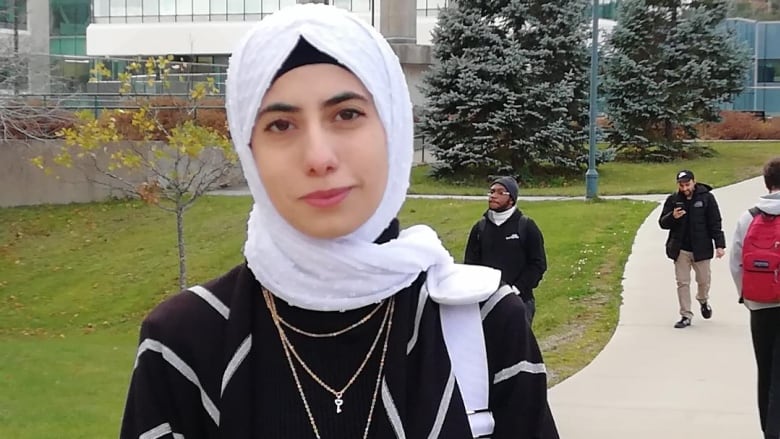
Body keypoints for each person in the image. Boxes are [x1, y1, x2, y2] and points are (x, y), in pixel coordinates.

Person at [119, 5, 559, 439]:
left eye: (347, 114)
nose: (318, 157)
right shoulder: (184, 344)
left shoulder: (483, 322)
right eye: (280, 124)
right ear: (249, 149)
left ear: (393, 127)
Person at [729, 156, 780, 439]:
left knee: (766, 369)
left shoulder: (749, 216)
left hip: (760, 306)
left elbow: (736, 262)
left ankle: (767, 429)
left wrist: (747, 297)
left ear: (767, 183)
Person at [464, 176, 547, 324]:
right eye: (492, 191)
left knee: (517, 347)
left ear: (512, 199)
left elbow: (538, 264)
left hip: (519, 302)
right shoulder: (479, 228)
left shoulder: (526, 226)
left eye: (500, 192)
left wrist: (515, 289)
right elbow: (470, 266)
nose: (493, 196)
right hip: (485, 303)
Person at [659, 169, 726, 329]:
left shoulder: (707, 198)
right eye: (681, 185)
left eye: (687, 184)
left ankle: (703, 300)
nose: (684, 188)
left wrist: (720, 245)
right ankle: (685, 315)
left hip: (701, 248)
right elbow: (662, 223)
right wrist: (672, 217)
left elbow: (715, 222)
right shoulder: (673, 200)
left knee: (703, 280)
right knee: (682, 282)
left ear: (694, 182)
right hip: (680, 248)